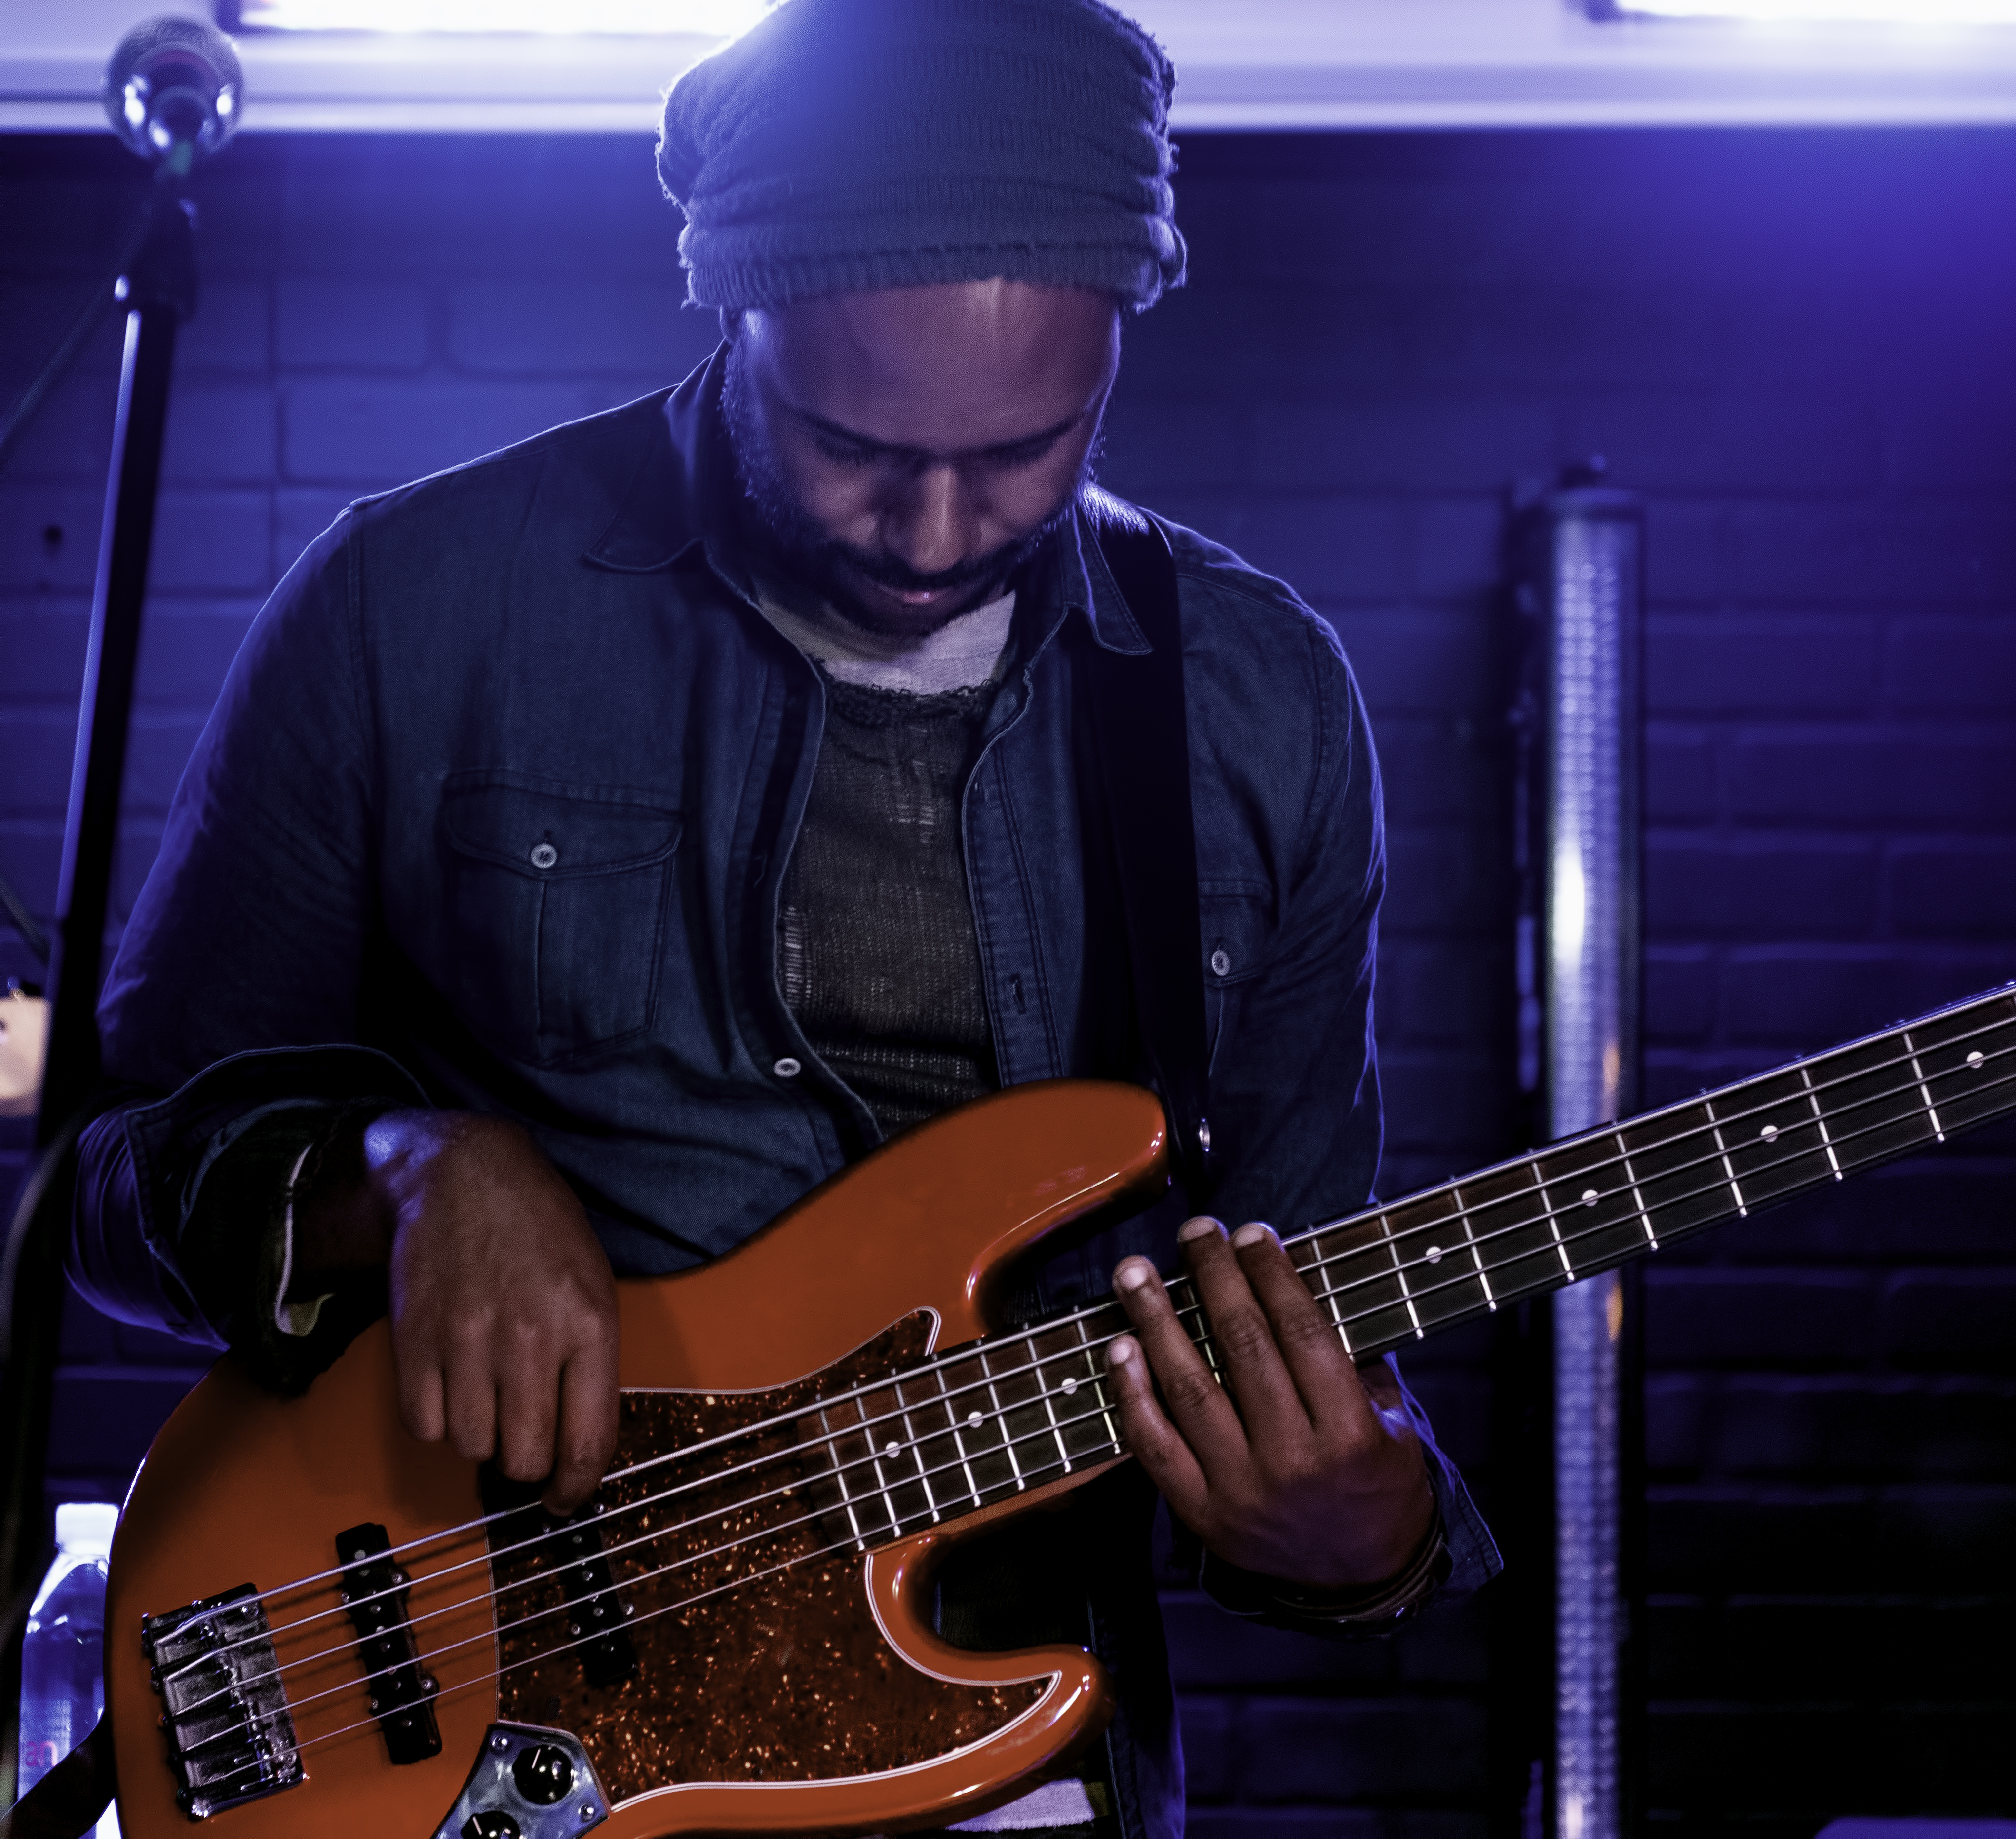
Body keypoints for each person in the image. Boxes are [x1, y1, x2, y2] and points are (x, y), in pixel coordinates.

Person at [65, 2, 1498, 1834]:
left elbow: (1297, 1298)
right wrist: (401, 1167)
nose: (928, 528)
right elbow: (109, 1175)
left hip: (1005, 1762)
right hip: (472, 1721)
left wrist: (1358, 1526)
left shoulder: (1256, 702)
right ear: (728, 310)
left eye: (1025, 450)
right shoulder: (412, 610)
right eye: (849, 444)